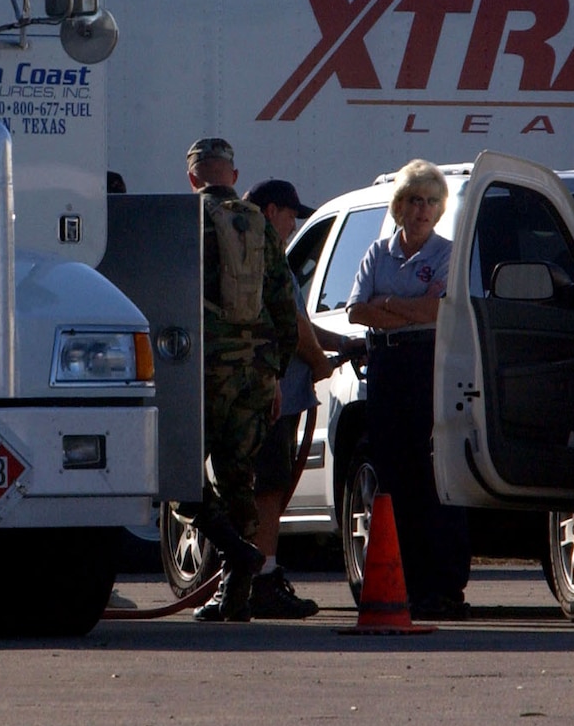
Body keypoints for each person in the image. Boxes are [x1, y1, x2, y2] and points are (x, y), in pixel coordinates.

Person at [181, 138, 303, 623]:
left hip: (203, 372)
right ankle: (236, 595)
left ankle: (237, 553)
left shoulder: (182, 220)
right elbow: (284, 310)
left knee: (180, 478)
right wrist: (274, 374)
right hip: (255, 374)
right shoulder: (259, 224)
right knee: (240, 481)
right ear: (233, 174)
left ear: (192, 178)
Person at [346, 159, 471, 620]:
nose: (421, 210)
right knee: (393, 476)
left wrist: (390, 303)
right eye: (414, 201)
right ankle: (408, 581)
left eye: (431, 203)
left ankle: (445, 586)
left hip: (427, 366)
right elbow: (357, 311)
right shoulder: (378, 253)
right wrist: (403, 308)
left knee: (433, 476)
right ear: (399, 206)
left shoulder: (447, 253)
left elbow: (435, 312)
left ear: (440, 210)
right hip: (386, 366)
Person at [244, 178, 363, 620]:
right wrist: (317, 362)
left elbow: (302, 324)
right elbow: (290, 323)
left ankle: (241, 579)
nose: (294, 225)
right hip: (271, 394)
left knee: (248, 487)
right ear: (272, 211)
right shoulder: (266, 254)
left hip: (253, 390)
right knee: (269, 488)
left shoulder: (241, 250)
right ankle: (263, 579)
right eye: (291, 215)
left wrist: (340, 346)